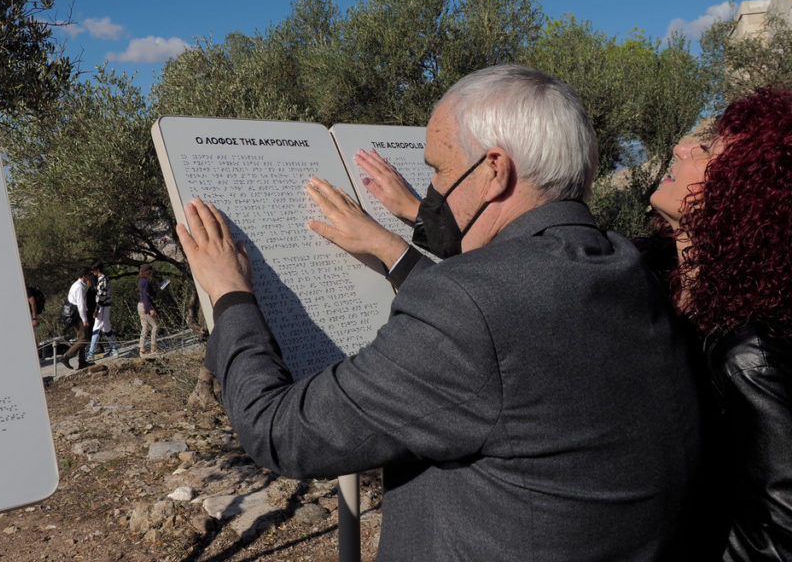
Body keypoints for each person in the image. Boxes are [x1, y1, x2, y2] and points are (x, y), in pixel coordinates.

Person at [177, 65, 702, 561]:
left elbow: (280, 429)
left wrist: (231, 295)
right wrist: (391, 250)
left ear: (494, 171)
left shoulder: (473, 308)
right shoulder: (624, 264)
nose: (428, 190)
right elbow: (506, 331)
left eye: (437, 169)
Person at [650, 86, 792, 560]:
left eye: (706, 148)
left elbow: (779, 531)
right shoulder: (650, 278)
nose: (680, 147)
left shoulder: (751, 356)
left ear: (745, 191)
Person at [60, 267, 92, 370]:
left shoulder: (79, 284)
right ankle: (66, 356)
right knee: (84, 339)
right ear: (83, 276)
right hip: (78, 315)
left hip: (76, 314)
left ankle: (82, 362)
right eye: (88, 275)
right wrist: (84, 319)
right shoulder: (79, 287)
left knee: (81, 338)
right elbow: (81, 305)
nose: (89, 277)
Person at [86, 260, 118, 361]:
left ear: (98, 269)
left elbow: (101, 297)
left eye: (93, 270)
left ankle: (91, 352)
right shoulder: (102, 279)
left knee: (96, 328)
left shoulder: (102, 279)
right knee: (106, 328)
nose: (92, 272)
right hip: (104, 306)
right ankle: (114, 349)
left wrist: (96, 309)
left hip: (103, 306)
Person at [136, 263, 158, 357]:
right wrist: (150, 309)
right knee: (155, 326)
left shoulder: (142, 281)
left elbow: (150, 294)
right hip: (145, 305)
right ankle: (153, 348)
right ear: (147, 272)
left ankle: (142, 348)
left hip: (140, 305)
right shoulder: (145, 282)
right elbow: (146, 297)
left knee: (145, 327)